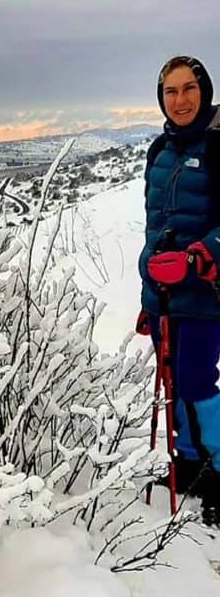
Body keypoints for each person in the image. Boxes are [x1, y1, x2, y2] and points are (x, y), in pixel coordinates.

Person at [138, 54, 220, 525]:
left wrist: (200, 256)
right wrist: (147, 297)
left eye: (189, 88)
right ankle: (188, 462)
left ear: (204, 92)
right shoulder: (159, 151)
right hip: (163, 297)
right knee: (174, 382)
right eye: (171, 91)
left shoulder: (218, 147)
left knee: (196, 380)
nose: (181, 99)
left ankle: (217, 468)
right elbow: (154, 226)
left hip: (206, 295)